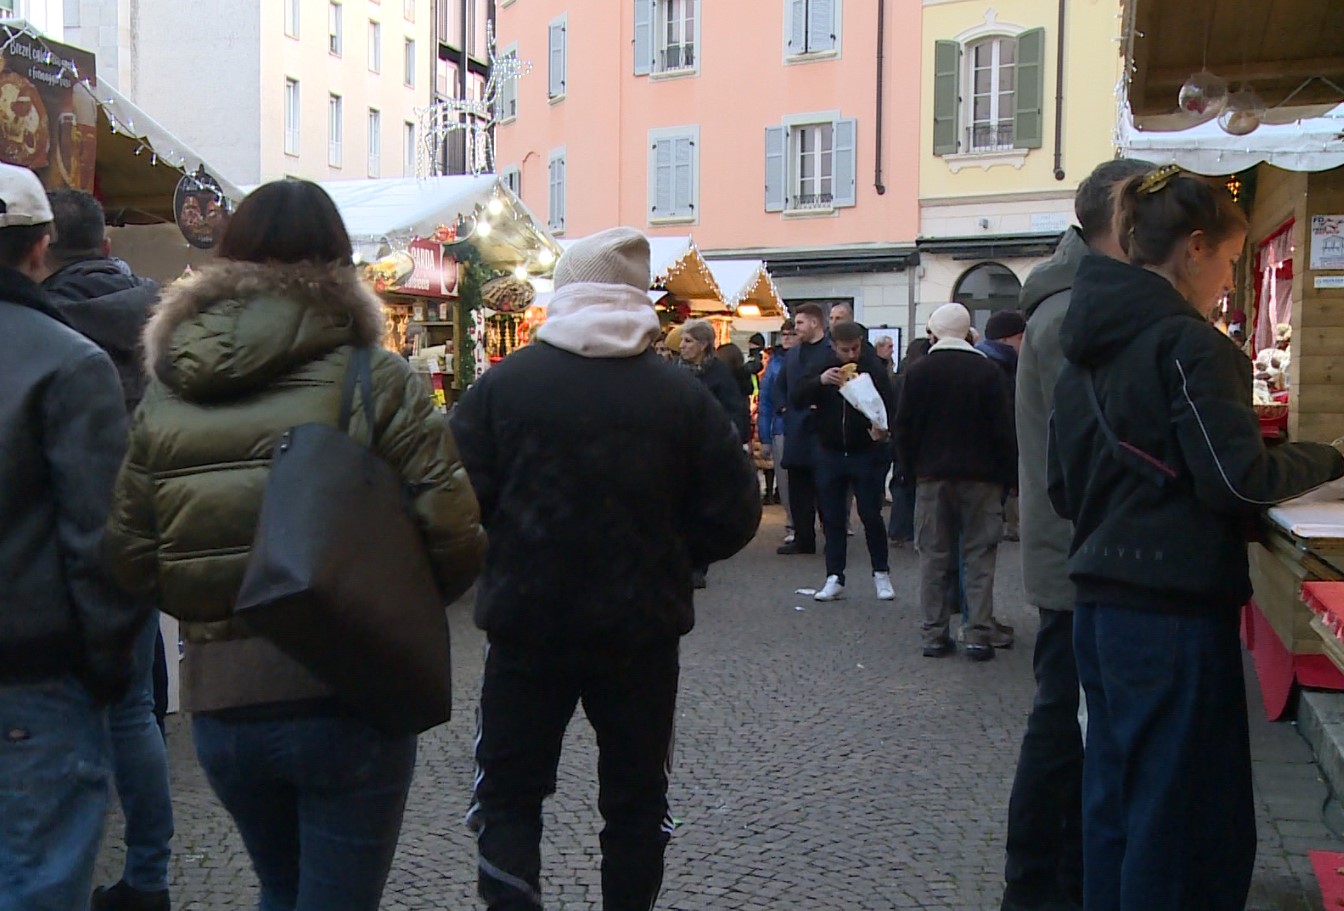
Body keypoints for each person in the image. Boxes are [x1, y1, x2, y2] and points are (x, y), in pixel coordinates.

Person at [103, 179, 487, 911]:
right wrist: (386, 603)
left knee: (281, 889)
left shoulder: (170, 389)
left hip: (223, 697)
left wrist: (210, 598)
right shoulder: (377, 379)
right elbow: (456, 537)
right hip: (350, 686)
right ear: (339, 261)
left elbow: (129, 554)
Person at [1049, 165, 1344, 911]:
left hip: (1101, 605)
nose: (1227, 280)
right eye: (1230, 261)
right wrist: (1331, 456)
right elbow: (1238, 479)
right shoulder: (1190, 345)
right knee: (1175, 817)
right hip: (1172, 611)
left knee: (1116, 800)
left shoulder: (1084, 348)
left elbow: (1060, 488)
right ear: (1194, 247)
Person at [449, 227, 760, 911]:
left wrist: (504, 549)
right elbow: (736, 510)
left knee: (508, 793)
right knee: (636, 799)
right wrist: (676, 554)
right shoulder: (678, 395)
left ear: (564, 292)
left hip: (526, 622)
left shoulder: (506, 387)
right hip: (640, 627)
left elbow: (454, 500)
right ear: (637, 297)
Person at [1000, 158, 1153, 911]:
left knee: (1064, 724)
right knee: (1063, 728)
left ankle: (1049, 883)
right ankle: (1038, 889)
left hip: (1077, 550)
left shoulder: (1074, 302)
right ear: (1122, 221)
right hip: (1077, 556)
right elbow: (1097, 448)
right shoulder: (1074, 313)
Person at [0, 162, 147, 910]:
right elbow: (99, 536)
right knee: (37, 882)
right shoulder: (68, 362)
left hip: (38, 671)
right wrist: (108, 665)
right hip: (35, 674)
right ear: (40, 248)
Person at [41, 188, 175, 911]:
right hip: (142, 526)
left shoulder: (40, 323)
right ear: (107, 244)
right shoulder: (159, 315)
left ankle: (58, 872)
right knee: (135, 709)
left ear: (44, 250)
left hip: (58, 534)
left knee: (55, 710)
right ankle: (149, 875)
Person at [896, 302, 1016, 662]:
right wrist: (1008, 477)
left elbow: (905, 428)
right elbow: (1003, 429)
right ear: (967, 332)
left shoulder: (919, 372)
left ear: (934, 331)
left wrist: (907, 472)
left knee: (934, 556)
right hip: (982, 478)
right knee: (979, 556)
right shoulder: (988, 371)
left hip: (932, 477)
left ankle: (934, 633)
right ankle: (977, 634)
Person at [795, 320, 896, 602]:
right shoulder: (821, 365)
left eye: (855, 348)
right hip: (830, 451)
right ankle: (834, 576)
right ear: (833, 346)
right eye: (844, 350)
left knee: (871, 514)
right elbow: (796, 397)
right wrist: (819, 382)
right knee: (832, 516)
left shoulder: (872, 366)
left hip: (865, 451)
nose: (851, 355)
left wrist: (883, 428)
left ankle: (881, 573)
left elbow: (890, 402)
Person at [775, 302, 832, 555]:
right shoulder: (793, 354)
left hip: (822, 429)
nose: (795, 327)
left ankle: (833, 538)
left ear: (814, 323)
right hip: (797, 427)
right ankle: (803, 538)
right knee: (798, 488)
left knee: (826, 488)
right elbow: (780, 386)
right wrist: (783, 408)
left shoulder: (831, 351)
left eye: (800, 322)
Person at [678, 319, 750, 443]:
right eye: (682, 340)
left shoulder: (720, 373)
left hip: (709, 442)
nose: (681, 345)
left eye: (688, 341)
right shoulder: (675, 370)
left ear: (703, 345)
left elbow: (734, 412)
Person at [887, 338, 929, 546]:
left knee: (901, 481)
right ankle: (914, 530)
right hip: (920, 438)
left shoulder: (899, 379)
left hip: (900, 436)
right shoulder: (923, 379)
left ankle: (898, 530)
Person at [759, 319, 797, 541]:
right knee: (785, 481)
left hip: (807, 426)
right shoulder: (774, 363)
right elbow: (765, 402)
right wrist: (765, 437)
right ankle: (792, 523)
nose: (787, 338)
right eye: (784, 334)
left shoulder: (807, 358)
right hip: (781, 427)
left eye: (792, 334)